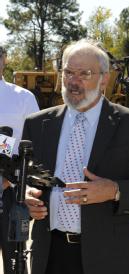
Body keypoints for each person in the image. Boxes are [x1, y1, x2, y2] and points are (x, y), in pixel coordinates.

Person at [23, 39, 129, 274]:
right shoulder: (37, 124)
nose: (73, 82)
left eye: (84, 74)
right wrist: (27, 196)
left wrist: (113, 190)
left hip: (108, 256)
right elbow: (26, 179)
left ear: (104, 79)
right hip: (50, 255)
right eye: (68, 72)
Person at [0, 45, 39, 274]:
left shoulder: (22, 98)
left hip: (11, 191)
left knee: (15, 265)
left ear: (4, 59)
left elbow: (35, 143)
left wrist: (9, 178)